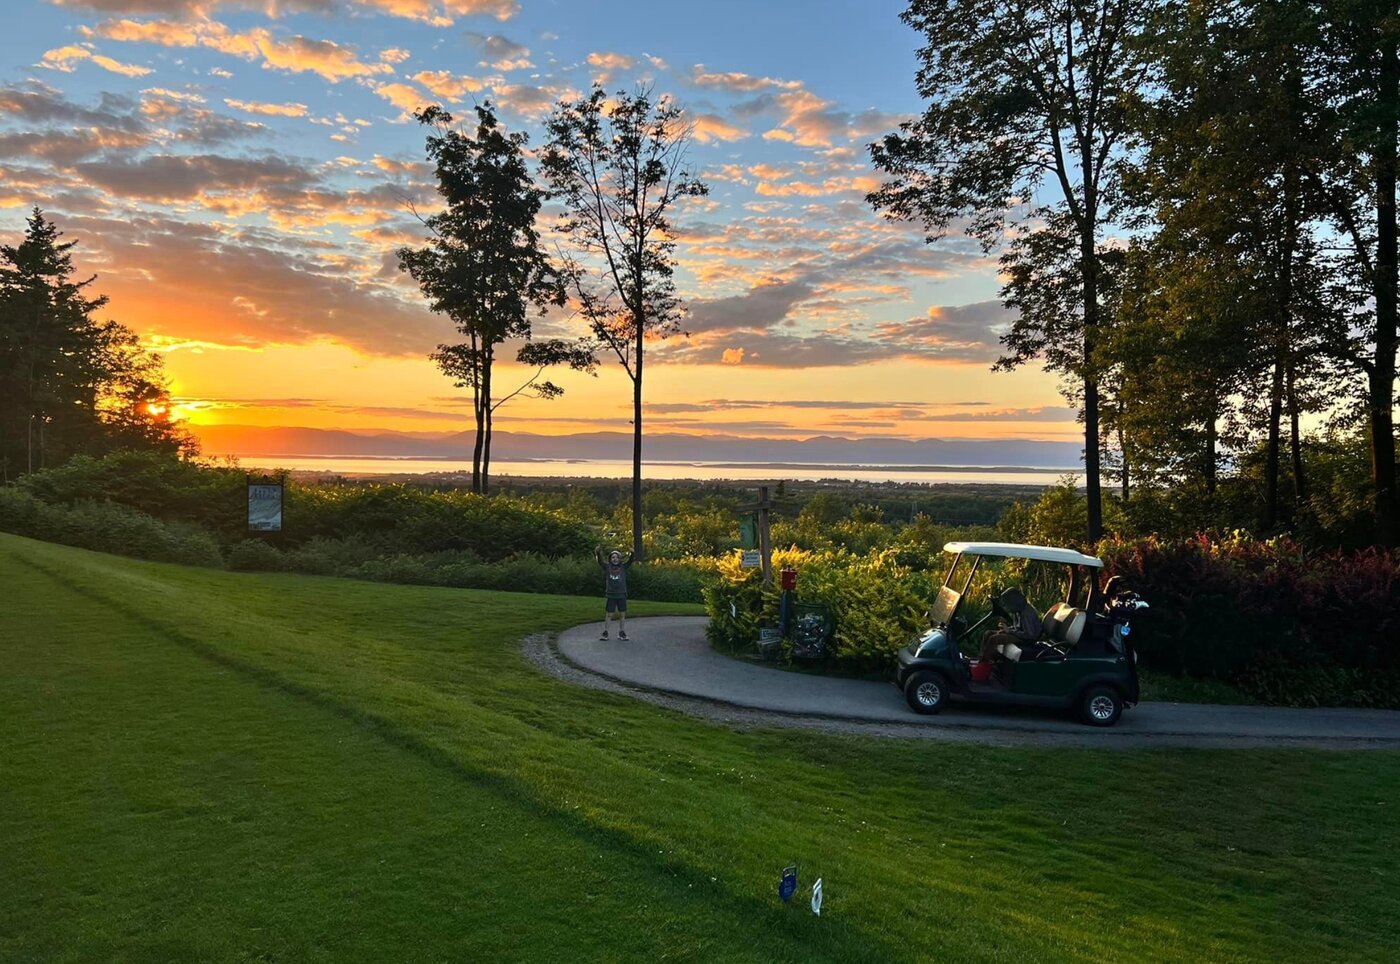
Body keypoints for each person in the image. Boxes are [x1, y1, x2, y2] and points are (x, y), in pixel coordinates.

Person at [980, 587, 1041, 666]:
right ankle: (983, 658)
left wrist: (1009, 631)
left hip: (1027, 640)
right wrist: (1008, 629)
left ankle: (984, 664)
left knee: (994, 639)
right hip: (1020, 635)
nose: (1006, 607)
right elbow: (1017, 627)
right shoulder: (1018, 611)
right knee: (988, 633)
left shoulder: (1026, 614)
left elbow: (1030, 635)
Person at [595, 545, 634, 640]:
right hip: (611, 595)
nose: (615, 559)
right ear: (610, 559)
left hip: (621, 594)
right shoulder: (607, 567)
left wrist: (632, 553)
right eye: (613, 557)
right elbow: (600, 561)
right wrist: (598, 553)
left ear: (620, 559)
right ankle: (606, 632)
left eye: (617, 557)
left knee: (622, 614)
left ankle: (621, 632)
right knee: (609, 614)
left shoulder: (623, 567)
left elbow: (630, 561)